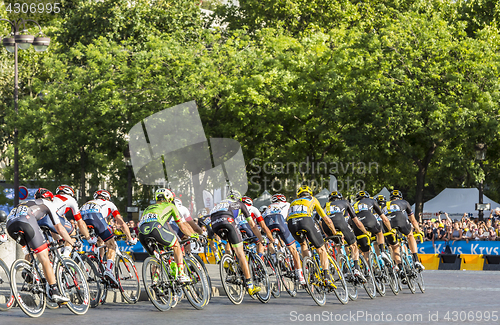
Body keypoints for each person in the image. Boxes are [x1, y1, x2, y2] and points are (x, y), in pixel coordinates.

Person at [6, 188, 73, 304]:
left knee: (31, 250)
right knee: (44, 257)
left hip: (10, 224)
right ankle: (55, 291)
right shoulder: (48, 204)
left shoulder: (28, 202)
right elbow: (59, 228)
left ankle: (31, 271)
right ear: (50, 199)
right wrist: (72, 242)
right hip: (26, 221)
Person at [138, 188, 199, 283]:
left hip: (142, 234)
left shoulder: (148, 208)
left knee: (157, 257)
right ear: (169, 198)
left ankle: (155, 281)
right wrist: (193, 235)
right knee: (176, 245)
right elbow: (182, 226)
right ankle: (181, 275)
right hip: (155, 229)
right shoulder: (170, 205)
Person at [210, 189, 263, 295]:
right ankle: (250, 286)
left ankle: (229, 263)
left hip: (214, 224)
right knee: (241, 254)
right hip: (228, 222)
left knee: (230, 242)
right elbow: (252, 225)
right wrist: (261, 239)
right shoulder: (239, 203)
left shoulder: (219, 203)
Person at [80, 189, 137, 287]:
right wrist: (130, 238)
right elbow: (122, 223)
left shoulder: (86, 203)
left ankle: (100, 264)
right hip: (96, 217)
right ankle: (108, 271)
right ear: (107, 197)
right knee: (111, 245)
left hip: (82, 220)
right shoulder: (109, 204)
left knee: (101, 241)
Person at [287, 185, 337, 288]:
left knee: (303, 244)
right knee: (321, 249)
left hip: (292, 224)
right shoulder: (313, 199)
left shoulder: (293, 202)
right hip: (306, 221)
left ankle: (310, 270)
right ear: (310, 194)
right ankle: (326, 277)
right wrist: (334, 233)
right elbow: (327, 219)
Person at [322, 191, 367, 283]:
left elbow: (319, 221)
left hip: (327, 226)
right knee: (353, 245)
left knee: (339, 244)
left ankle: (344, 270)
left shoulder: (325, 205)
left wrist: (326, 234)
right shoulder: (345, 202)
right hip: (340, 223)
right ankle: (356, 269)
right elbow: (357, 222)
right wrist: (365, 232)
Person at [261, 193, 305, 284]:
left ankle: (275, 257)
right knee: (294, 251)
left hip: (266, 222)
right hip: (280, 220)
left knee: (270, 241)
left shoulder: (269, 207)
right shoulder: (288, 204)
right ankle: (300, 276)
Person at [37, 185, 91, 257]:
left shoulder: (54, 198)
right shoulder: (71, 199)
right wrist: (88, 237)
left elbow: (62, 218)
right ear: (70, 194)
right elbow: (80, 222)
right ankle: (65, 259)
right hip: (50, 219)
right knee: (72, 233)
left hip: (38, 219)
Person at [384, 190, 425, 274]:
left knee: (394, 247)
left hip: (387, 222)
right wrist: (418, 231)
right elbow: (413, 221)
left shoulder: (385, 205)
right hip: (400, 219)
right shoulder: (404, 202)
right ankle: (416, 260)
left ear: (390, 199)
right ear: (400, 198)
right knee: (410, 235)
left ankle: (400, 268)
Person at [351, 190, 392, 264]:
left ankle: (370, 271)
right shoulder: (371, 200)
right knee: (379, 232)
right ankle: (382, 251)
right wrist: (390, 229)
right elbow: (384, 218)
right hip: (369, 220)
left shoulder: (353, 205)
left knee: (365, 252)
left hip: (357, 224)